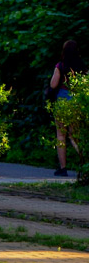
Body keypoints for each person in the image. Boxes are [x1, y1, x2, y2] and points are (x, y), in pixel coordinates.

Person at [51, 39, 85, 177]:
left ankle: (63, 168)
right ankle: (84, 164)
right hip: (77, 102)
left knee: (61, 135)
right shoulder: (82, 67)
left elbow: (53, 85)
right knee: (74, 135)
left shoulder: (60, 66)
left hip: (63, 101)